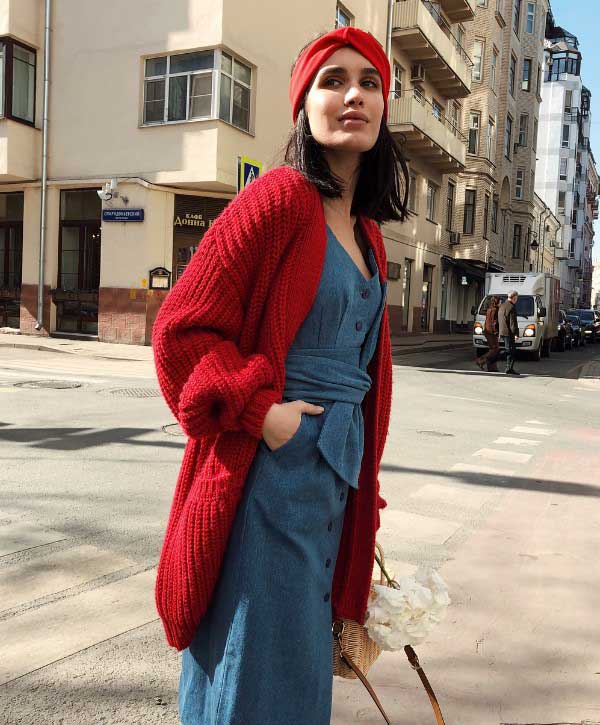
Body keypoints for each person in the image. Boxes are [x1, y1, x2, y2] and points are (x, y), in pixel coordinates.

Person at [152, 27, 409, 725]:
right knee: (250, 668)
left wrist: (362, 501)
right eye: (332, 80)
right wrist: (260, 414)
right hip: (263, 484)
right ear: (303, 104)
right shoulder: (276, 201)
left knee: (298, 676)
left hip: (333, 483)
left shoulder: (369, 235)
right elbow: (181, 330)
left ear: (385, 106)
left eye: (369, 81)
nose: (353, 94)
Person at [497, 291, 520, 375]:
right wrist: (516, 334)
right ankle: (508, 368)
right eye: (516, 298)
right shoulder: (511, 307)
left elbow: (500, 320)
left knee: (509, 350)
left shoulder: (502, 306)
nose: (516, 300)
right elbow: (513, 323)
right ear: (514, 298)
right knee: (511, 351)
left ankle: (508, 368)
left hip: (503, 332)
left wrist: (500, 332)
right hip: (509, 332)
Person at [475, 295, 500, 372]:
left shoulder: (489, 309)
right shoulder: (495, 310)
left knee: (493, 349)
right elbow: (494, 322)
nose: (500, 302)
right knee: (494, 349)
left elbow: (488, 321)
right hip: (491, 332)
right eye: (500, 301)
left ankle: (492, 367)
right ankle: (480, 361)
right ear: (496, 302)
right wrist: (496, 332)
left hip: (487, 331)